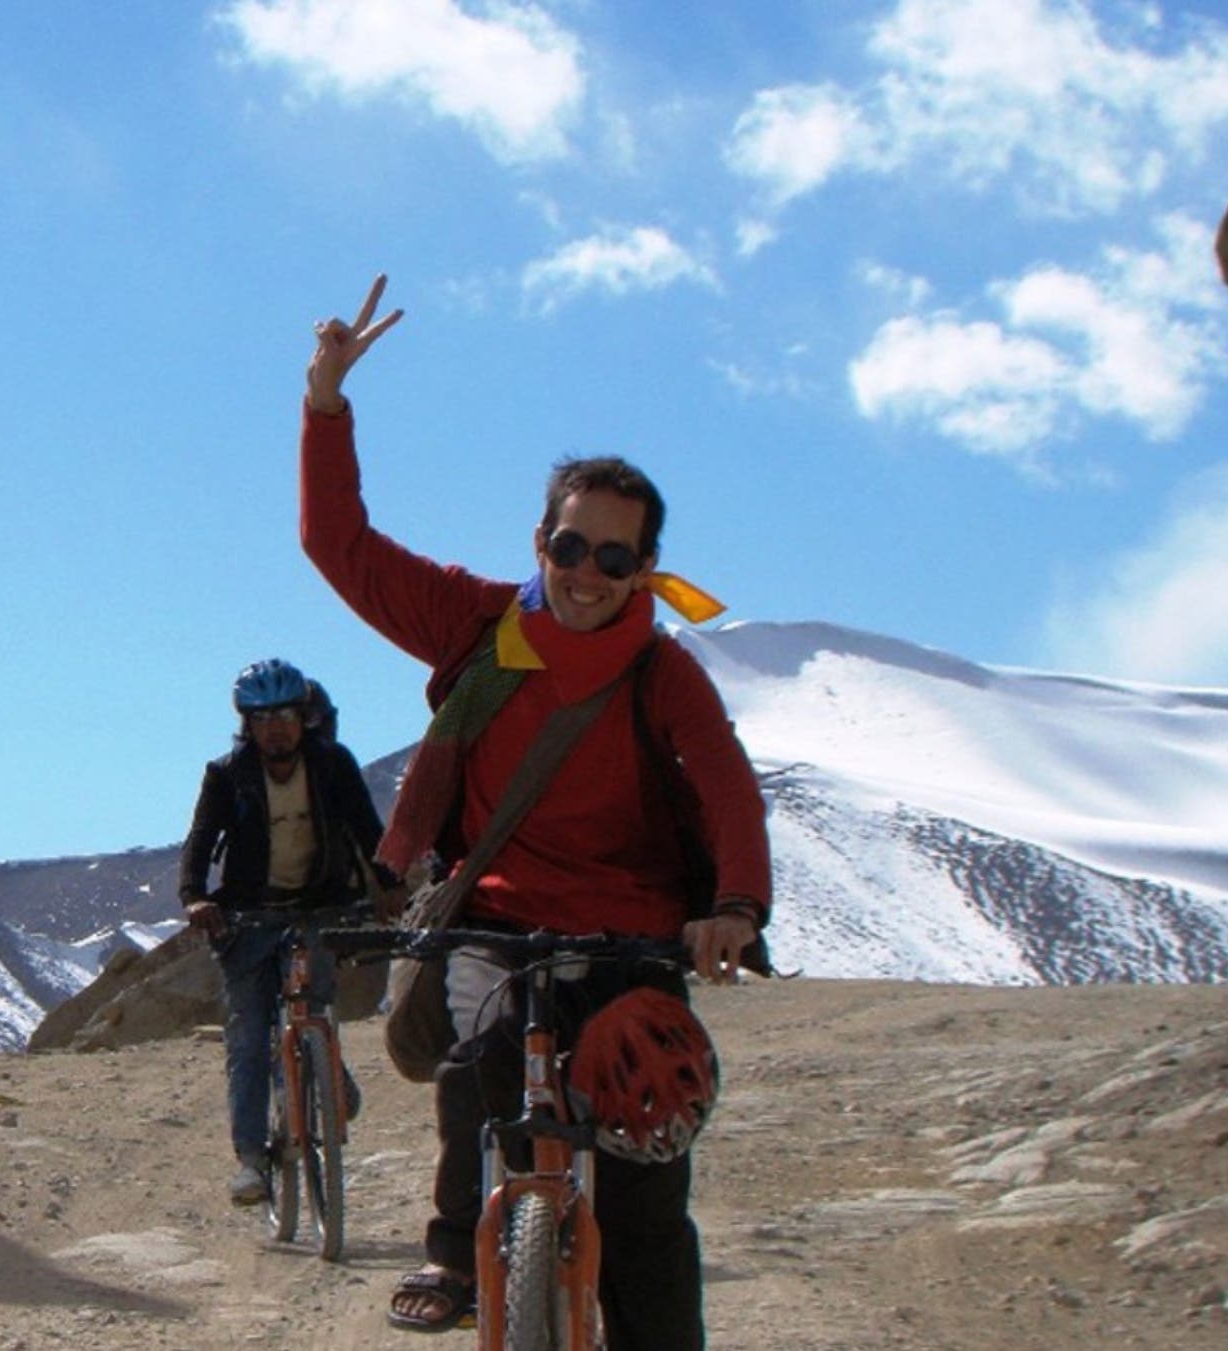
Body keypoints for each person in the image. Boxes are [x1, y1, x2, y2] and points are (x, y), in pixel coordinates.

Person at [298, 276, 771, 1346]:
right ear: (539, 541)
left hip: (633, 941)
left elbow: (727, 784)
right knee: (483, 1083)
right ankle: (456, 1250)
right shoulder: (476, 625)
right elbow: (342, 547)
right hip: (497, 926)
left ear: (644, 570)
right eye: (569, 547)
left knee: (645, 1201)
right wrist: (326, 403)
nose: (586, 574)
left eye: (614, 557)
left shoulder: (664, 674)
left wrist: (736, 906)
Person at [179, 658, 395, 1205]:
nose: (275, 727)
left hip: (319, 906)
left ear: (304, 718)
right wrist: (196, 896)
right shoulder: (227, 775)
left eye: (285, 715)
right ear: (247, 725)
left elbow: (368, 831)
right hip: (250, 915)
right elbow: (200, 841)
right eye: (262, 718)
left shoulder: (332, 765)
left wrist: (391, 885)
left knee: (313, 1007)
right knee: (249, 1036)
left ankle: (324, 1068)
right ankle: (252, 1159)